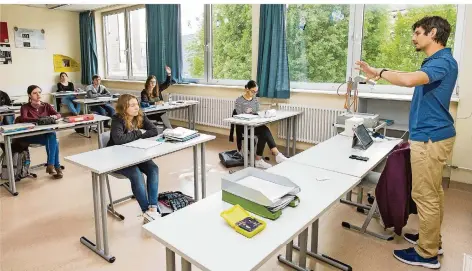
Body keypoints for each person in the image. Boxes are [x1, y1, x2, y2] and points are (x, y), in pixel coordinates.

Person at [356, 16, 457, 269]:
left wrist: (377, 72)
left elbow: (410, 79)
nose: (414, 37)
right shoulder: (438, 61)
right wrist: (377, 71)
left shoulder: (443, 61)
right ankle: (432, 240)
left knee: (425, 196)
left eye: (418, 32)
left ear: (432, 33)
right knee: (434, 194)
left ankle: (427, 254)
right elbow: (409, 75)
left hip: (431, 137)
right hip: (434, 135)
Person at [107, 94, 160, 223]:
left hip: (137, 154)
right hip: (119, 157)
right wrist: (138, 133)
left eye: (137, 104)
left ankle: (152, 208)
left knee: (153, 168)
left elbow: (154, 130)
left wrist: (135, 135)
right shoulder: (117, 119)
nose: (137, 107)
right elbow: (119, 139)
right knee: (136, 174)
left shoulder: (140, 116)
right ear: (124, 107)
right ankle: (145, 210)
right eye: (132, 105)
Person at [234, 80, 287, 169]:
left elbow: (257, 112)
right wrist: (247, 113)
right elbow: (238, 116)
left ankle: (260, 160)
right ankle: (275, 154)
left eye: (256, 91)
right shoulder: (239, 101)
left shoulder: (255, 99)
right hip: (244, 127)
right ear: (247, 89)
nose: (254, 93)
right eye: (253, 91)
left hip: (254, 124)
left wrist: (261, 115)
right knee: (264, 130)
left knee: (264, 132)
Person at [19, 85, 63, 179]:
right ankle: (55, 166)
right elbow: (24, 118)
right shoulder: (25, 107)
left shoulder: (46, 105)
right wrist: (41, 119)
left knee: (52, 136)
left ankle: (51, 165)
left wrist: (54, 117)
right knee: (53, 139)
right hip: (31, 136)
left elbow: (58, 114)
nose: (38, 94)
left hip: (45, 135)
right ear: (29, 95)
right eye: (35, 93)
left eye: (39, 92)